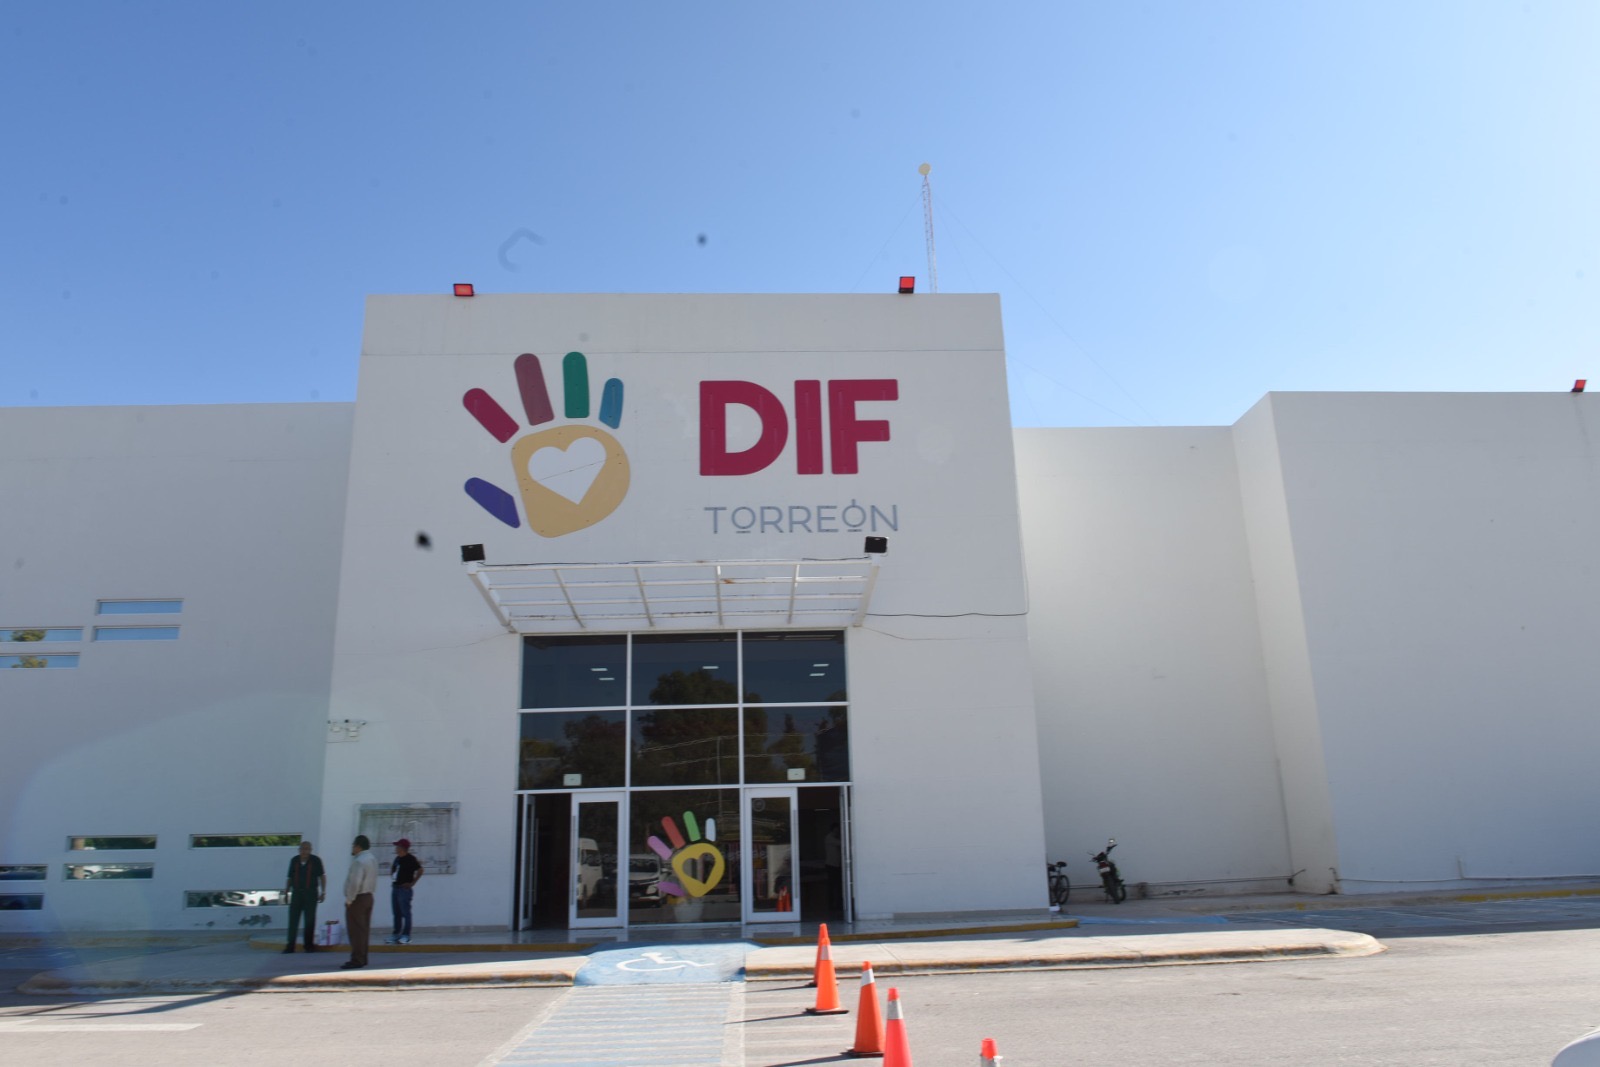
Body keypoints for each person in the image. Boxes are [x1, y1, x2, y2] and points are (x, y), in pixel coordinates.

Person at [340, 835, 378, 970]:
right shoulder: (372, 859)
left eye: (353, 846)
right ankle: (363, 957)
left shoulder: (359, 861)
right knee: (363, 930)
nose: (352, 848)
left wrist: (349, 900)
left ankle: (356, 959)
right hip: (369, 896)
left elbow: (355, 883)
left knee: (355, 930)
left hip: (358, 899)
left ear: (358, 846)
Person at [282, 840, 326, 953]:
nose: (304, 851)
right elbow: (289, 877)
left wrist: (323, 892)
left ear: (310, 850)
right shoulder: (294, 860)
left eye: (307, 849)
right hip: (296, 893)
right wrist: (286, 892)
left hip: (310, 893)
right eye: (302, 849)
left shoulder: (316, 861)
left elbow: (322, 876)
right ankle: (290, 946)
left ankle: (309, 945)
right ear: (299, 850)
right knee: (293, 920)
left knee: (309, 920)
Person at [385, 837, 423, 945]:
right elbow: (393, 869)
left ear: (402, 848)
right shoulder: (397, 859)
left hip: (404, 890)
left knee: (406, 913)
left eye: (398, 846)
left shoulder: (411, 859)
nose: (396, 848)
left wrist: (412, 883)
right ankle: (396, 934)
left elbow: (420, 870)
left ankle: (406, 935)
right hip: (395, 888)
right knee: (396, 913)